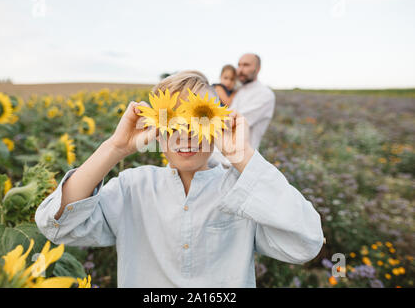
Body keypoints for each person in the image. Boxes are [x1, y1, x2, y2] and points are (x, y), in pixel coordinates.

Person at [35, 70, 323, 288]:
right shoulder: (133, 188)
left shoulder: (240, 190)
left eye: (200, 119)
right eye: (172, 120)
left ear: (218, 125)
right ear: (157, 129)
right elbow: (56, 224)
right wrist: (115, 148)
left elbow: (306, 242)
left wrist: (242, 156)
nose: (186, 135)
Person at [209, 53, 276, 168]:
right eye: (239, 65)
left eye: (246, 65)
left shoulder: (264, 94)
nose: (240, 70)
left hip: (235, 165)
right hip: (214, 159)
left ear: (258, 68)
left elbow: (232, 123)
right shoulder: (236, 90)